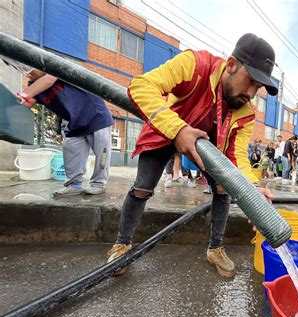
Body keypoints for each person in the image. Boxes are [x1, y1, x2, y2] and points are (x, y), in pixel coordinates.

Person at [106, 33, 277, 278]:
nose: (251, 93)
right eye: (249, 80)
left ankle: (215, 248)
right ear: (230, 65)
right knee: (143, 187)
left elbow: (237, 152)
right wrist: (178, 130)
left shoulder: (246, 110)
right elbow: (141, 86)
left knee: (223, 188)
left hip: (209, 147)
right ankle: (122, 244)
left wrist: (251, 188)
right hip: (166, 130)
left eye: (257, 87)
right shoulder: (196, 64)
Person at [17, 69, 114, 196]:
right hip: (74, 121)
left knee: (102, 154)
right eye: (24, 69)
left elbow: (48, 80)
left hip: (95, 116)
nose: (27, 72)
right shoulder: (33, 87)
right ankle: (74, 185)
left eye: (29, 68)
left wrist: (24, 94)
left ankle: (98, 184)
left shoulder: (54, 66)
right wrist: (11, 107)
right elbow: (27, 103)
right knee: (71, 150)